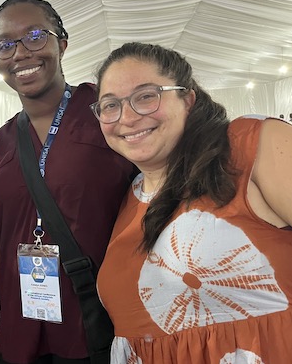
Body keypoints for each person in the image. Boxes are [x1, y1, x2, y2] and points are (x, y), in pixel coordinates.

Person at [93, 42, 292, 363]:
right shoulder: (130, 197)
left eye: (146, 96)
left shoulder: (248, 144)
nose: (127, 117)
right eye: (110, 105)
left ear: (187, 99)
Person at [0, 0, 135, 363]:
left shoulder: (107, 112)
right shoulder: (3, 140)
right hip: (23, 322)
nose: (20, 53)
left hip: (96, 321)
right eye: (5, 44)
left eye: (36, 36)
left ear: (62, 43)